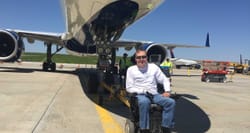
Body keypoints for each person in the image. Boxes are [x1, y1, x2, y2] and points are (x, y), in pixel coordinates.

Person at [126, 48, 175, 133]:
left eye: (143, 57)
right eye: (139, 57)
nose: (141, 59)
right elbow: (129, 88)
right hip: (140, 95)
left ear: (147, 58)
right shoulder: (131, 70)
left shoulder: (153, 67)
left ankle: (165, 127)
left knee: (171, 102)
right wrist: (142, 91)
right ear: (135, 59)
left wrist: (167, 91)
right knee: (144, 102)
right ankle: (144, 129)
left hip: (154, 94)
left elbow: (164, 79)